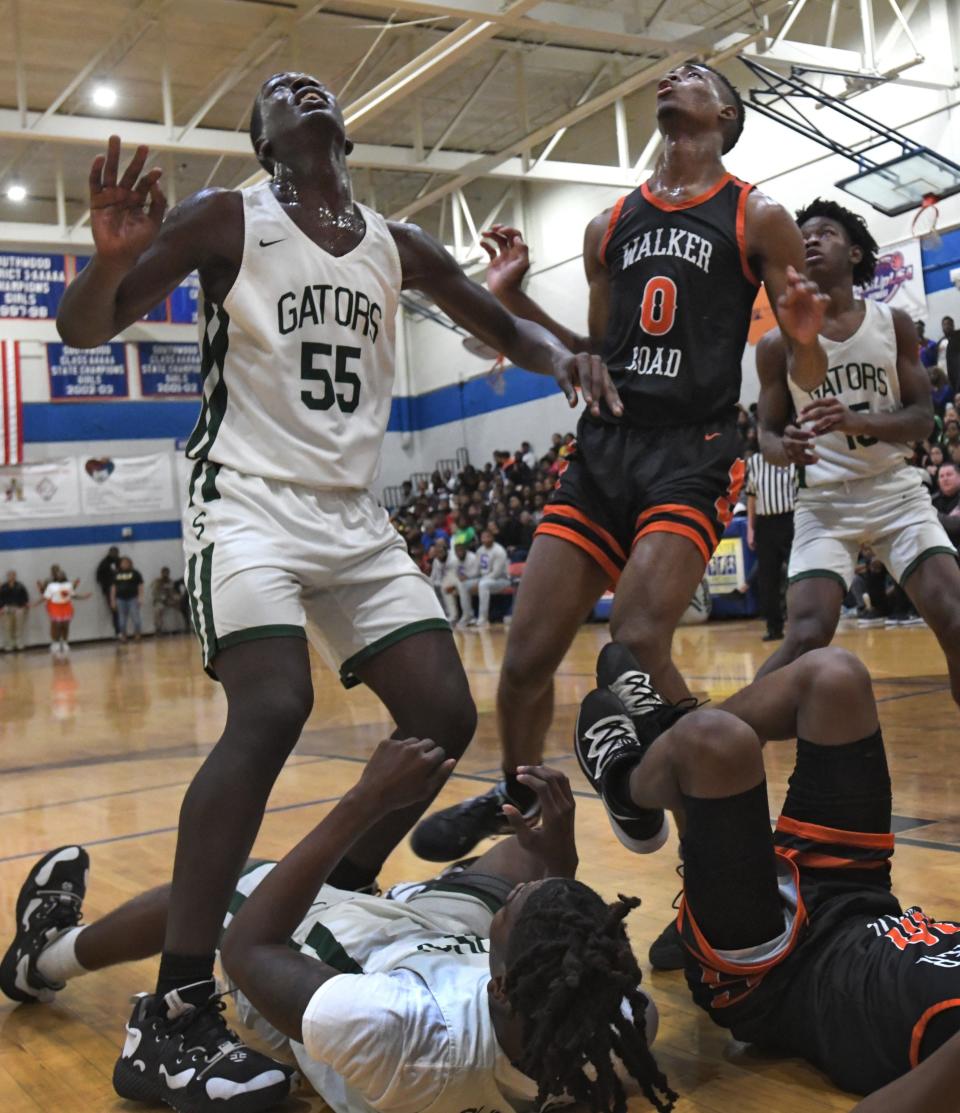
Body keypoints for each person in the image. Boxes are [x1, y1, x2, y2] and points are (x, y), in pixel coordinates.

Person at [55, 71, 613, 1111]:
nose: (299, 88)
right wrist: (112, 265)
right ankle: (175, 1012)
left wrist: (567, 359)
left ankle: (341, 885)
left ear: (342, 129)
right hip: (251, 499)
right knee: (273, 704)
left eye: (311, 85)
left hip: (351, 516)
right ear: (263, 139)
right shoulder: (228, 218)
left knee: (443, 714)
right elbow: (86, 331)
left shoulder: (394, 241)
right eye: (277, 91)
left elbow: (499, 323)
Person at [411, 59, 828, 862]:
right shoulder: (609, 226)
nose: (673, 77)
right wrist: (514, 300)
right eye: (671, 73)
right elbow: (598, 357)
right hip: (606, 447)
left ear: (725, 117)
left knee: (636, 635)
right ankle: (523, 800)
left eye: (695, 75)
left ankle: (708, 810)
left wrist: (804, 337)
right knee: (526, 659)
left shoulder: (759, 215)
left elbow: (802, 377)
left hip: (694, 448)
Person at [1, 745, 674, 1113]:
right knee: (531, 863)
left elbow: (247, 947)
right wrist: (558, 855)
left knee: (215, 880)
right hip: (435, 944)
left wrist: (363, 800)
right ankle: (491, 828)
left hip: (339, 954)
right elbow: (558, 941)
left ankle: (43, 957)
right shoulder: (609, 1022)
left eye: (516, 910)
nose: (526, 895)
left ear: (499, 986)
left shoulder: (400, 1032)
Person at [574, 640, 960, 1113]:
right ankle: (661, 737)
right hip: (859, 898)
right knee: (834, 676)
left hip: (774, 975)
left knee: (714, 741)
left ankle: (627, 785)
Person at [753, 198, 960, 708]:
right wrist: (787, 448)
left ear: (857, 251)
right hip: (824, 503)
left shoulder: (893, 323)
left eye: (825, 232)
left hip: (895, 492)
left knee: (956, 617)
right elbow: (766, 436)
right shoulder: (775, 344)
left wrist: (857, 420)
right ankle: (715, 739)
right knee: (804, 635)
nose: (810, 240)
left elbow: (919, 421)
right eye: (803, 236)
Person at [745, 453, 796, 641]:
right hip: (765, 523)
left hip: (791, 519)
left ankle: (801, 622)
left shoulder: (791, 456)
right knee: (767, 578)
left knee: (797, 574)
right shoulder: (755, 462)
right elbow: (751, 497)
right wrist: (751, 528)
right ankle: (774, 626)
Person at [457, 528, 511, 630]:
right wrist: (467, 576)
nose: (485, 539)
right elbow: (476, 571)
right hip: (485, 579)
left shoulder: (499, 551)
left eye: (488, 537)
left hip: (502, 580)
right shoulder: (480, 550)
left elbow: (496, 573)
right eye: (483, 537)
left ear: (492, 538)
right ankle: (468, 615)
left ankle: (483, 619)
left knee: (483, 584)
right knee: (463, 585)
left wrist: (480, 581)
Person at [40, 571, 90, 656]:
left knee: (65, 625)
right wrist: (33, 604)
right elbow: (45, 597)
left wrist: (84, 597)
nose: (60, 576)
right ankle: (55, 643)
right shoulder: (51, 586)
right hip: (55, 607)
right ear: (55, 576)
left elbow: (73, 595)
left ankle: (65, 642)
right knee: (56, 626)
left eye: (62, 575)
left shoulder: (68, 585)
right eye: (58, 575)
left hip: (66, 607)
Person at [111, 555, 144, 643]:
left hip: (132, 598)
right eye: (122, 563)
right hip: (120, 599)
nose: (124, 564)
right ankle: (123, 636)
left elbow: (140, 586)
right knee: (121, 620)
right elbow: (113, 588)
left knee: (136, 618)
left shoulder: (135, 573)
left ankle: (137, 635)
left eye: (126, 562)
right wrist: (113, 600)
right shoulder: (117, 574)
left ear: (130, 563)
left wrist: (140, 597)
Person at [0, 569, 29, 652]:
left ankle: (19, 644)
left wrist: (24, 606)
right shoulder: (3, 586)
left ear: (15, 576)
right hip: (6, 608)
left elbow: (25, 597)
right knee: (7, 627)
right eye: (9, 575)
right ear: (7, 576)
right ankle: (9, 646)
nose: (11, 577)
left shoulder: (20, 586)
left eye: (13, 575)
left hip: (18, 608)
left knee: (19, 627)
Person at [96, 545, 121, 634]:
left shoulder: (121, 562)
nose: (115, 554)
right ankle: (118, 632)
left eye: (116, 553)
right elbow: (99, 577)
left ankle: (123, 631)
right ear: (110, 553)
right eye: (113, 552)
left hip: (122, 590)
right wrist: (106, 586)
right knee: (115, 611)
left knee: (123, 610)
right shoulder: (104, 563)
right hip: (109, 591)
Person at [151, 565, 182, 634]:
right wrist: (163, 598)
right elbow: (155, 593)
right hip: (160, 601)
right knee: (158, 610)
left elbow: (173, 592)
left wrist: (176, 598)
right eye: (164, 573)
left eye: (167, 573)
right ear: (161, 573)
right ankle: (158, 629)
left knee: (181, 606)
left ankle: (182, 627)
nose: (165, 574)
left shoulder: (170, 581)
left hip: (169, 600)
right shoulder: (157, 582)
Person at [938, 316, 960, 394]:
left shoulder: (958, 336)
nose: (947, 326)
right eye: (944, 325)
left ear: (953, 325)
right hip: (946, 377)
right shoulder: (940, 342)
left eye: (949, 324)